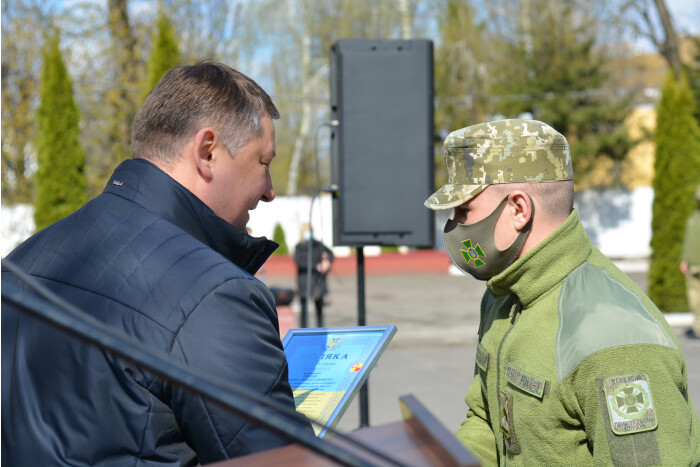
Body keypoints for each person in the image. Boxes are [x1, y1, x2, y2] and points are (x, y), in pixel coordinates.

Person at [1, 61, 314, 466]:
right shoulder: (213, 294)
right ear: (208, 152)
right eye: (264, 162)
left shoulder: (20, 263)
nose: (270, 192)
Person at [424, 119, 700, 466]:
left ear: (518, 210)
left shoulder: (611, 333)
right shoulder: (502, 296)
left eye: (464, 211)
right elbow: (487, 421)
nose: (455, 226)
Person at [294, 224, 334, 327]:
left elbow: (330, 253)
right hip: (304, 281)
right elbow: (299, 262)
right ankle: (303, 331)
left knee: (319, 308)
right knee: (304, 309)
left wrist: (327, 263)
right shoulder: (299, 247)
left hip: (317, 280)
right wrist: (316, 266)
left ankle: (320, 330)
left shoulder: (318, 245)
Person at [681, 185, 700, 339]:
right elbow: (688, 242)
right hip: (693, 266)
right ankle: (698, 329)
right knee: (694, 299)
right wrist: (684, 260)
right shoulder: (692, 220)